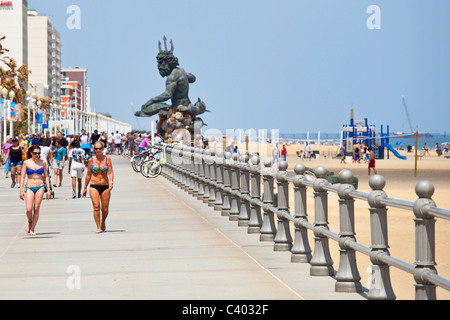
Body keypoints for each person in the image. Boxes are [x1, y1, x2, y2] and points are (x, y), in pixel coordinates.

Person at [83, 141, 114, 234]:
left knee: (104, 209)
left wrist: (111, 182)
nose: (98, 150)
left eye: (99, 148)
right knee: (96, 207)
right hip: (94, 185)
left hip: (105, 186)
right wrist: (85, 187)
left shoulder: (107, 159)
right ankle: (98, 227)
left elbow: (111, 172)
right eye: (96, 148)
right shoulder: (91, 160)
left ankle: (103, 221)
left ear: (103, 149)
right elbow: (88, 175)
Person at [20, 145, 52, 236]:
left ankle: (32, 228)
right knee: (29, 209)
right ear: (31, 153)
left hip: (40, 186)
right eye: (35, 153)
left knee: (36, 208)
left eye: (38, 153)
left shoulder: (43, 162)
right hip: (29, 186)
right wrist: (21, 190)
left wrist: (48, 190)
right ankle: (30, 221)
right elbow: (22, 177)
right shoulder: (26, 163)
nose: (37, 155)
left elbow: (46, 176)